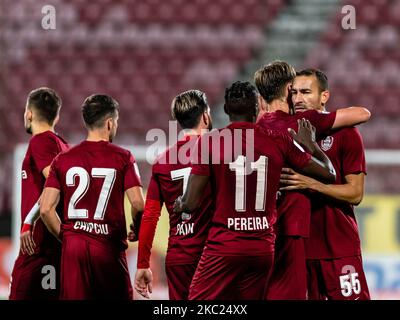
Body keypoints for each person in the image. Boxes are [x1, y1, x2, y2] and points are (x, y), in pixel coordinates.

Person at [173, 81, 336, 300]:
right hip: (262, 249)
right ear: (257, 107)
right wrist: (312, 145)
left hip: (224, 246)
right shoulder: (279, 140)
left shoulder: (210, 142)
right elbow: (329, 173)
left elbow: (191, 203)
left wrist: (180, 203)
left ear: (226, 110)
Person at [254, 61, 371, 300]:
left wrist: (312, 184)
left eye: (306, 92)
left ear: (324, 96)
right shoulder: (284, 131)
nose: (298, 98)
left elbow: (355, 194)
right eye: (294, 92)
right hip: (298, 247)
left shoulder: (346, 134)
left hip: (338, 246)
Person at [39, 94, 145, 300]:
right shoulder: (123, 157)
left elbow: (45, 209)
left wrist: (68, 237)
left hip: (74, 249)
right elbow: (139, 204)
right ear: (109, 122)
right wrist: (137, 228)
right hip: (107, 248)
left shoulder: (63, 159)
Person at [135, 90, 213, 300]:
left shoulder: (162, 160)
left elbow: (150, 216)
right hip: (214, 253)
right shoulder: (221, 153)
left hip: (180, 255)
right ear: (205, 115)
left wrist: (143, 263)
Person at [9, 87, 69, 300]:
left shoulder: (41, 141)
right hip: (53, 249)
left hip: (38, 247)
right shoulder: (63, 145)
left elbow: (55, 182)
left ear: (29, 113)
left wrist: (28, 220)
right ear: (57, 116)